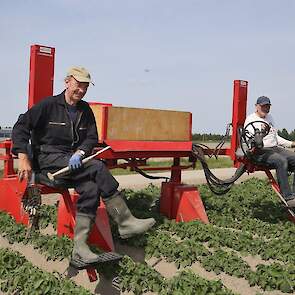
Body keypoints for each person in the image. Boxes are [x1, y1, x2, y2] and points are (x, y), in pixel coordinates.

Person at [11, 66, 156, 266]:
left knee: (91, 188)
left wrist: (80, 152)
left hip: (70, 161)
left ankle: (79, 248)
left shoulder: (85, 109)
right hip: (47, 162)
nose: (81, 90)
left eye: (86, 87)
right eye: (79, 85)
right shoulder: (48, 106)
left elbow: (91, 137)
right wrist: (23, 157)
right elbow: (21, 127)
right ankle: (124, 221)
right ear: (67, 82)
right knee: (96, 167)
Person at [244, 95, 295, 208]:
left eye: (268, 106)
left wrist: (291, 143)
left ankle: (294, 195)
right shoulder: (251, 119)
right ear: (257, 106)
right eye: (263, 106)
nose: (266, 109)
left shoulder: (270, 118)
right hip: (259, 151)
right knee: (280, 161)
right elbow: (250, 140)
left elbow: (275, 137)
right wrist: (259, 139)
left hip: (274, 148)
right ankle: (288, 197)